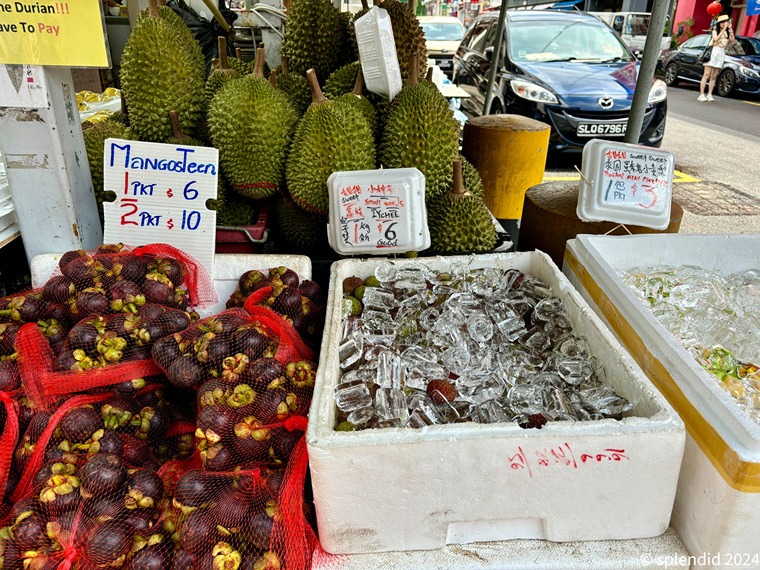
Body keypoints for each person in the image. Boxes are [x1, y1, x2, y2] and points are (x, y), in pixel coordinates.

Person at [698, 14, 734, 102]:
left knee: (714, 76)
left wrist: (730, 29)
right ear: (719, 23)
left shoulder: (728, 32)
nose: (724, 24)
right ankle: (701, 94)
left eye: (725, 22)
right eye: (722, 22)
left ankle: (710, 94)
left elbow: (732, 40)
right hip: (713, 52)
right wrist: (723, 30)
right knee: (706, 74)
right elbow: (716, 39)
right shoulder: (715, 30)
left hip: (721, 53)